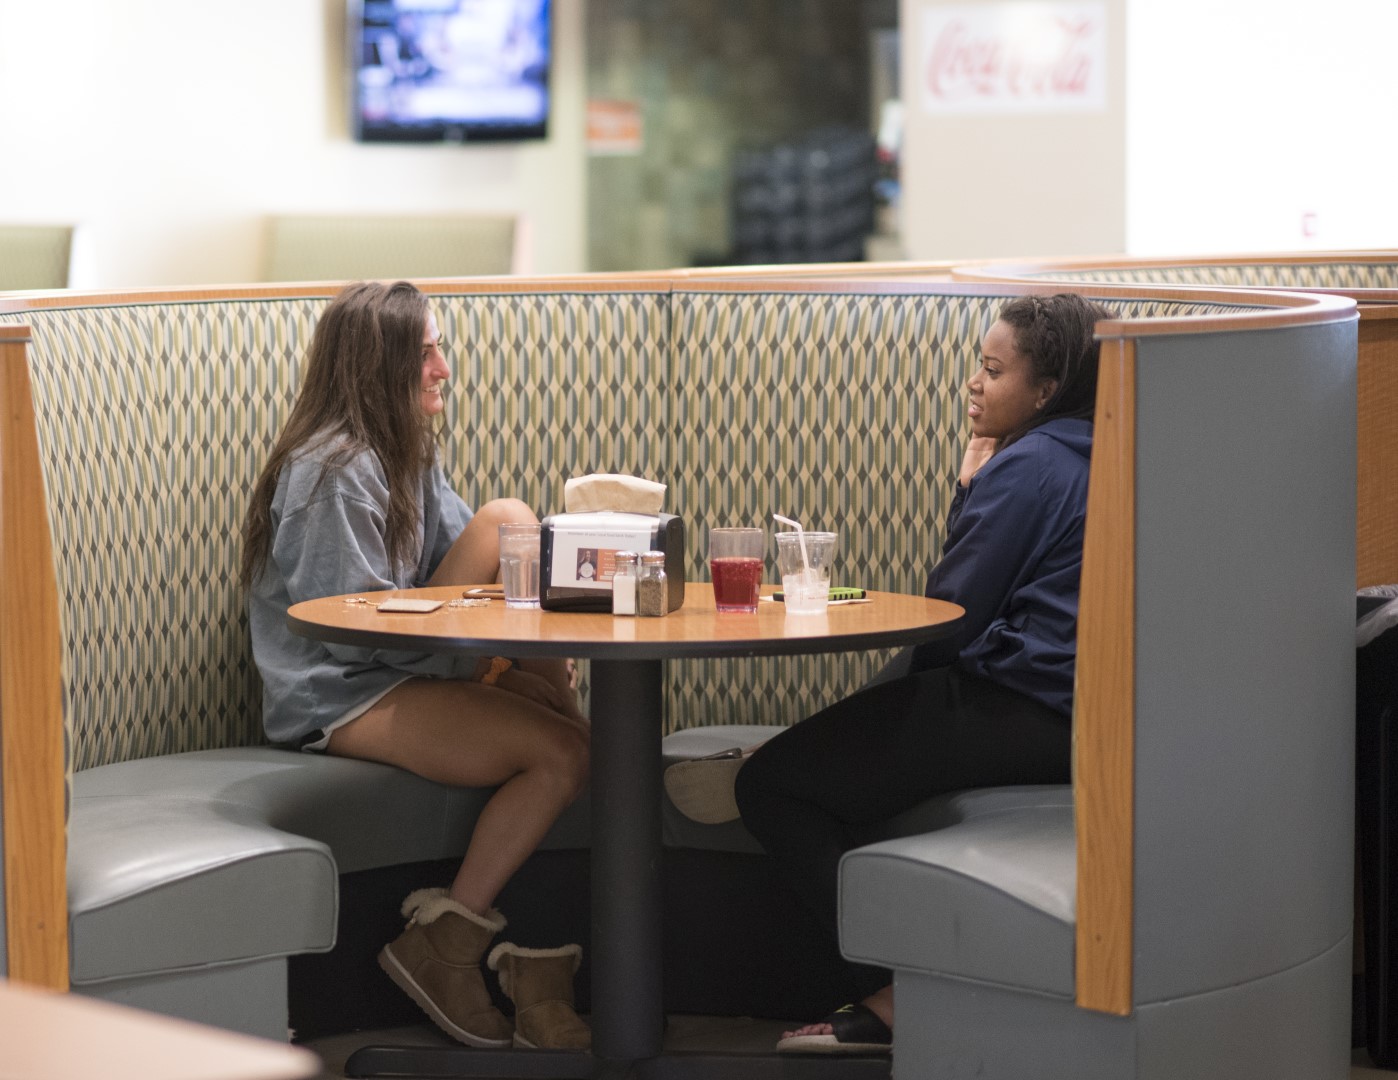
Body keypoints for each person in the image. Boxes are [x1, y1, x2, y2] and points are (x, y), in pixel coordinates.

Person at [733, 292, 1115, 1054]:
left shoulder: (1032, 465)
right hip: (1089, 712)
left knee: (769, 784)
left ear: (1045, 391)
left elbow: (949, 615)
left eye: (993, 369)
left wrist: (972, 488)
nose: (974, 383)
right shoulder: (1108, 449)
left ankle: (902, 991)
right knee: (857, 735)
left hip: (1025, 706)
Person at [241, 281, 591, 1052]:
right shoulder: (332, 470)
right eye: (426, 350)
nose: (443, 367)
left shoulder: (405, 458)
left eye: (440, 347)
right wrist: (486, 671)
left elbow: (469, 567)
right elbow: (349, 634)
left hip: (399, 669)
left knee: (511, 528)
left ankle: (523, 959)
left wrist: (517, 667)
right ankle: (441, 945)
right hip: (339, 694)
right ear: (377, 366)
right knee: (559, 749)